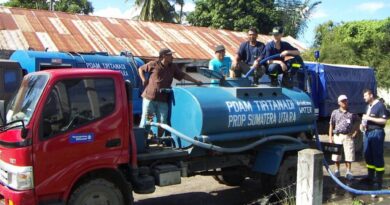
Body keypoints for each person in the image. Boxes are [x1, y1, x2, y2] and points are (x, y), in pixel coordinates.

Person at [138, 48, 202, 137]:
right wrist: (143, 79)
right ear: (164, 56)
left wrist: (195, 81)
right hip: (150, 98)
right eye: (170, 55)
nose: (172, 57)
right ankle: (143, 141)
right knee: (148, 120)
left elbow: (183, 75)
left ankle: (158, 140)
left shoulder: (173, 67)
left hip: (163, 100)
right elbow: (141, 69)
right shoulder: (154, 64)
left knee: (163, 121)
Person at [360, 89, 389, 190]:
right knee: (368, 154)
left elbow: (384, 120)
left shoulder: (380, 105)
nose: (364, 97)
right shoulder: (368, 106)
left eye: (365, 95)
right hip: (367, 133)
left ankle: (378, 181)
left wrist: (370, 118)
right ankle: (370, 176)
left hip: (377, 132)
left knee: (377, 155)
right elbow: (365, 119)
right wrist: (362, 125)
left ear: (371, 95)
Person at [329, 95, 359, 180]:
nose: (344, 102)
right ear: (339, 103)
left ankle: (348, 172)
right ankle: (337, 171)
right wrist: (330, 137)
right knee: (336, 155)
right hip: (338, 136)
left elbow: (358, 122)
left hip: (348, 136)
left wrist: (355, 132)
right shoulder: (335, 112)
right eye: (342, 101)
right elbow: (331, 124)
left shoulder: (352, 113)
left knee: (349, 155)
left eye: (345, 100)